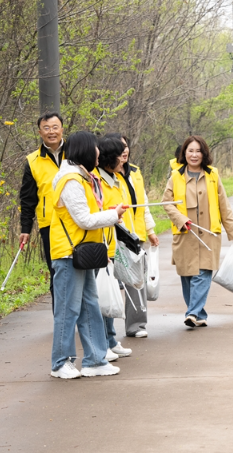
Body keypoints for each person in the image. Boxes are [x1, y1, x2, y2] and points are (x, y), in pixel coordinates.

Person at [49, 131, 127, 379]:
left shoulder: (83, 177)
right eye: (95, 148)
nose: (98, 153)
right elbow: (83, 219)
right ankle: (61, 363)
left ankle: (95, 360)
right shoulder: (70, 180)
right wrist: (113, 216)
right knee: (68, 310)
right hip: (68, 254)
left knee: (89, 307)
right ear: (84, 150)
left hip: (82, 253)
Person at [162, 135, 233, 328]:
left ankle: (192, 312)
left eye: (198, 151)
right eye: (190, 151)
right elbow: (166, 202)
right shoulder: (176, 176)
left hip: (208, 233)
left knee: (202, 273)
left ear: (204, 153)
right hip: (185, 233)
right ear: (184, 153)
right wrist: (180, 220)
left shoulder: (213, 175)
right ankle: (200, 314)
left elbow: (224, 205)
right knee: (187, 276)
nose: (194, 155)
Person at [106, 133, 160, 338]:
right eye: (120, 148)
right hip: (113, 233)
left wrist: (151, 230)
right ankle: (107, 328)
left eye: (126, 146)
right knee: (111, 281)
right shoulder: (106, 174)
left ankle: (136, 325)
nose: (125, 150)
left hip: (133, 235)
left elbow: (143, 204)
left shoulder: (135, 172)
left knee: (136, 281)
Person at [94, 137, 136, 361]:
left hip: (113, 244)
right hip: (100, 246)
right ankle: (103, 343)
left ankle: (110, 339)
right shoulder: (97, 181)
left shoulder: (117, 178)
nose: (124, 158)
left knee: (111, 293)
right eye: (121, 155)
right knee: (102, 296)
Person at [19, 112, 64, 310]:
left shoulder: (76, 153)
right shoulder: (33, 161)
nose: (51, 132)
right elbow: (28, 199)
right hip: (50, 225)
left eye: (55, 127)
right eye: (46, 128)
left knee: (81, 269)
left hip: (79, 221)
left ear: (62, 129)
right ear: (40, 132)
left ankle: (81, 317)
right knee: (56, 271)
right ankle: (60, 319)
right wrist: (25, 228)